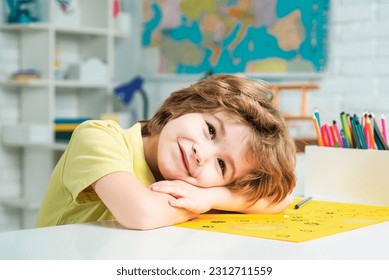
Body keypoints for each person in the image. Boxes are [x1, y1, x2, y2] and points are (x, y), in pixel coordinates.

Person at [36, 74, 296, 230]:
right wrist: (204, 204)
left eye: (222, 165)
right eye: (211, 130)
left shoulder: (193, 189)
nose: (202, 155)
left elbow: (281, 199)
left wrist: (213, 197)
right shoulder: (99, 137)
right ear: (185, 106)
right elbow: (141, 213)